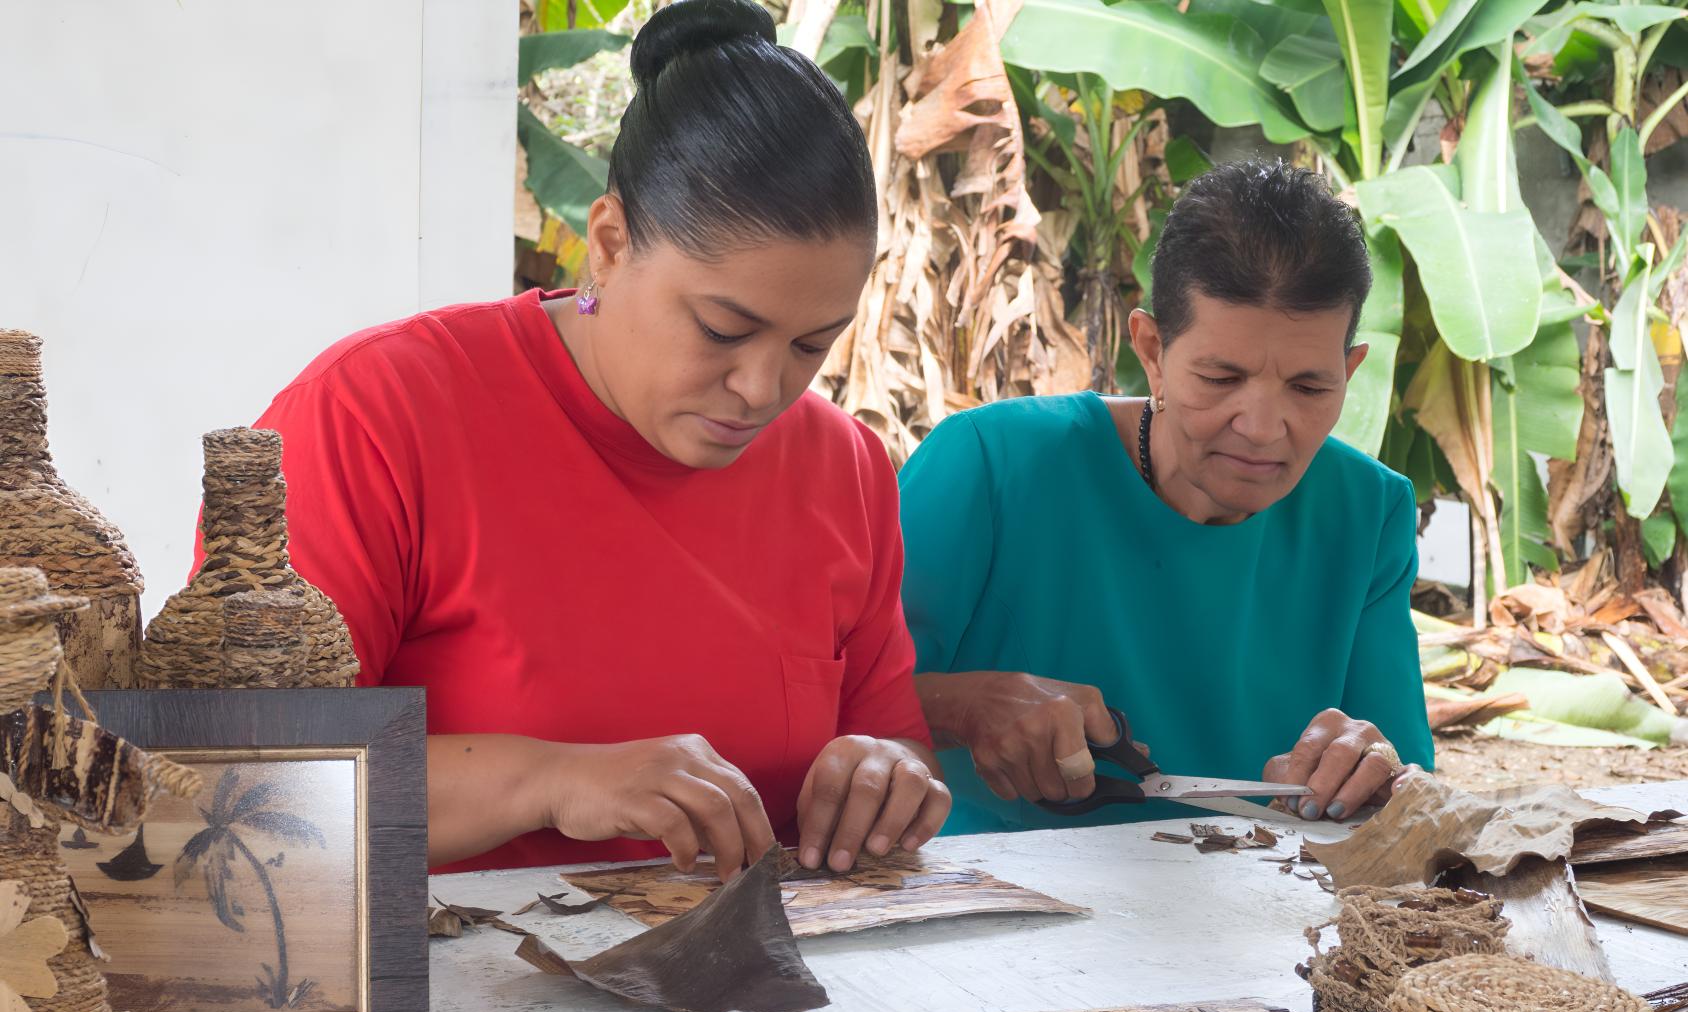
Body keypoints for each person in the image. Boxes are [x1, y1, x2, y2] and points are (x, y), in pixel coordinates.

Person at [230, 0, 950, 877]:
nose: (764, 390)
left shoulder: (843, 465)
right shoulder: (375, 414)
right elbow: (239, 780)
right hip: (447, 995)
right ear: (608, 244)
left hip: (762, 994)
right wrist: (550, 781)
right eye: (722, 330)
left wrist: (887, 775)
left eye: (812, 344)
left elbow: (892, 739)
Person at [898, 160, 1431, 836]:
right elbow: (829, 696)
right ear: (1151, 349)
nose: (1264, 429)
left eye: (1309, 387)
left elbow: (1406, 780)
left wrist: (1371, 765)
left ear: (1349, 370)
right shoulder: (990, 465)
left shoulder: (1368, 513)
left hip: (1263, 916)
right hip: (982, 910)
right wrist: (966, 706)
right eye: (1221, 377)